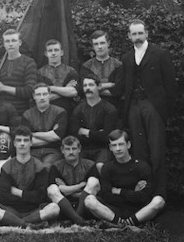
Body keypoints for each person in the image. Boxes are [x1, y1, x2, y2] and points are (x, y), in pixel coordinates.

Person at [112, 19, 177, 199]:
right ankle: (144, 194)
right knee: (139, 153)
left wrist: (163, 111)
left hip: (153, 106)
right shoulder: (126, 58)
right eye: (134, 34)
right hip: (133, 106)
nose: (138, 37)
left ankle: (159, 194)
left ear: (147, 34)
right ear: (129, 36)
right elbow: (121, 86)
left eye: (141, 33)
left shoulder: (160, 54)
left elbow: (170, 86)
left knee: (157, 152)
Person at [84, 129, 165, 227]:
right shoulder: (107, 168)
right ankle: (122, 223)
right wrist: (133, 193)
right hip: (113, 210)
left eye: (121, 144)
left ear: (128, 145)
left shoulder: (142, 166)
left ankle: (127, 223)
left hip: (138, 210)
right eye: (114, 145)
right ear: (110, 148)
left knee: (159, 201)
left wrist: (119, 191)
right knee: (89, 200)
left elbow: (144, 197)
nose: (118, 149)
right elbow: (106, 196)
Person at [0, 126, 60, 228]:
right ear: (14, 143)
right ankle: (26, 224)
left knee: (54, 208)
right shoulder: (6, 167)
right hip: (12, 210)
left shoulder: (39, 167)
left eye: (26, 140)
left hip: (34, 210)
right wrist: (28, 196)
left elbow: (40, 196)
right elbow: (4, 197)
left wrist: (18, 193)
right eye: (19, 140)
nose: (22, 143)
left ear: (31, 143)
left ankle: (15, 222)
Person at [69, 74, 119, 172]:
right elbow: (74, 134)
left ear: (99, 86)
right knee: (77, 167)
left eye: (91, 85)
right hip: (83, 149)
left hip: (103, 149)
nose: (87, 88)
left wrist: (86, 132)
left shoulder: (109, 109)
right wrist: (97, 133)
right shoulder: (78, 110)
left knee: (100, 166)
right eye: (85, 86)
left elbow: (107, 136)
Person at [46, 136, 100, 226]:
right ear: (62, 150)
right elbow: (56, 192)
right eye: (67, 149)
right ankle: (79, 220)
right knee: (52, 190)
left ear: (79, 149)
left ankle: (75, 218)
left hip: (86, 205)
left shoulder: (90, 165)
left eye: (74, 148)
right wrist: (81, 185)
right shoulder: (56, 167)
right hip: (64, 205)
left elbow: (93, 189)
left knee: (93, 181)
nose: (71, 152)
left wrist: (67, 190)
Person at [79, 30, 124, 121]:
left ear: (108, 43)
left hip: (114, 106)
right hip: (91, 106)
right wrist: (109, 85)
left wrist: (94, 89)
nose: (99, 47)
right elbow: (83, 90)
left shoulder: (118, 65)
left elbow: (118, 91)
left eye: (102, 43)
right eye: (96, 44)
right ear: (93, 46)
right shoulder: (86, 66)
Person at [21, 83, 68, 168]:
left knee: (46, 166)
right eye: (38, 94)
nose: (42, 97)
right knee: (29, 167)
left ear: (49, 95)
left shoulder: (60, 112)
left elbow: (57, 136)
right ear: (34, 96)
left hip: (53, 151)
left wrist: (33, 134)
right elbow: (27, 141)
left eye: (44, 94)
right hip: (32, 152)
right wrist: (50, 135)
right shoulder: (27, 115)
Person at [0, 29, 37, 116]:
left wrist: (4, 88)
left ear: (20, 42)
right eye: (7, 41)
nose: (10, 44)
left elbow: (30, 91)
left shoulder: (29, 62)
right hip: (0, 112)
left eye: (13, 40)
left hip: (21, 112)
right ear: (4, 44)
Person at [37, 39, 80, 118]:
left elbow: (73, 92)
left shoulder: (71, 71)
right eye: (50, 50)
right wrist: (65, 89)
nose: (53, 53)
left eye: (56, 50)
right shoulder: (39, 73)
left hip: (69, 113)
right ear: (46, 54)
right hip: (47, 114)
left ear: (62, 52)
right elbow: (41, 98)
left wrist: (49, 88)